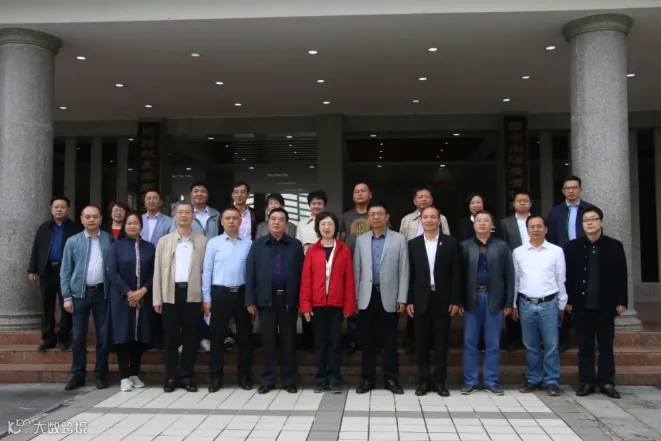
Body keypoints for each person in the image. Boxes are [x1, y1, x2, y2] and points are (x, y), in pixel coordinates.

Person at [565, 207, 627, 399]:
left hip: (606, 304)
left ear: (601, 222)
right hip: (581, 304)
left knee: (606, 345)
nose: (589, 223)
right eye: (586, 220)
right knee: (584, 345)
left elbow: (621, 275)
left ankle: (607, 382)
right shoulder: (572, 247)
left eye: (593, 219)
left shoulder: (614, 246)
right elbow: (567, 276)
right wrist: (569, 299)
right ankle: (587, 382)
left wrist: (622, 300)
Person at [245, 208, 304, 394]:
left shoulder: (295, 245)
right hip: (266, 299)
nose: (277, 222)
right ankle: (267, 380)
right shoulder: (258, 245)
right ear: (268, 222)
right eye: (273, 219)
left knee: (289, 341)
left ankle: (289, 380)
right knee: (268, 341)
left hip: (288, 300)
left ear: (286, 224)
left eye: (281, 219)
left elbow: (303, 275)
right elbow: (250, 273)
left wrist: (301, 300)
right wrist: (250, 300)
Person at [353, 201, 409, 395]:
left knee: (390, 341)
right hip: (366, 296)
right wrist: (356, 297)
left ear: (387, 217)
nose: (375, 217)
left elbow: (404, 271)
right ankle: (367, 379)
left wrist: (402, 297)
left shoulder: (399, 239)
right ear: (368, 218)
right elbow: (357, 270)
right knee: (367, 341)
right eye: (372, 214)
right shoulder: (361, 240)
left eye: (379, 214)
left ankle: (391, 379)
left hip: (390, 297)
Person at [153, 201, 208, 393]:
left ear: (193, 216)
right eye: (180, 212)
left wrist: (205, 298)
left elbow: (206, 272)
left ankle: (187, 376)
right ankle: (170, 377)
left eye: (187, 212)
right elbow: (157, 272)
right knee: (170, 338)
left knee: (191, 338)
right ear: (175, 216)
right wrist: (157, 298)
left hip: (193, 294)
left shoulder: (202, 241)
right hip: (170, 293)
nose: (184, 215)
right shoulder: (164, 241)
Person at [407, 206, 461, 397]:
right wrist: (409, 300)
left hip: (442, 299)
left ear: (439, 220)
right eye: (425, 217)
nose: (429, 220)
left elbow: (456, 273)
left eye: (433, 217)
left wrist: (455, 300)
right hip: (420, 298)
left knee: (440, 342)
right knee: (421, 342)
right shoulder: (413, 244)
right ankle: (423, 381)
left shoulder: (450, 242)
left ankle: (439, 381)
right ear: (421, 220)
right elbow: (409, 275)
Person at [299, 211, 356, 394]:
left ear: (335, 227)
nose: (326, 227)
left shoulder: (344, 250)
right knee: (320, 343)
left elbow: (349, 279)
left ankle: (334, 378)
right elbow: (306, 280)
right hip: (316, 305)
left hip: (336, 305)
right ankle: (321, 378)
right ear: (318, 227)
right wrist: (305, 305)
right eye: (323, 224)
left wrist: (349, 305)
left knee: (335, 343)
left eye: (330, 224)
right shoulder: (312, 251)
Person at [459, 210, 514, 396]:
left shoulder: (502, 246)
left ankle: (491, 380)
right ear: (474, 224)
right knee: (470, 342)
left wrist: (509, 302)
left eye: (486, 220)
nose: (482, 223)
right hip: (472, 298)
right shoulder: (465, 246)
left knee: (493, 342)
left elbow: (509, 276)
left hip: (493, 298)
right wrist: (459, 300)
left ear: (492, 225)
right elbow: (459, 277)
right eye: (478, 220)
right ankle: (470, 381)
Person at [512, 215, 567, 397]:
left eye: (539, 226)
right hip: (526, 303)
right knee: (530, 345)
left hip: (549, 303)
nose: (536, 230)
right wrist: (513, 304)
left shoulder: (556, 251)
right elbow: (516, 281)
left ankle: (551, 380)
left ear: (546, 229)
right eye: (532, 227)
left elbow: (561, 280)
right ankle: (533, 379)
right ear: (527, 230)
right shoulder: (518, 252)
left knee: (551, 345)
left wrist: (562, 305)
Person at [60, 205, 114, 391]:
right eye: (88, 217)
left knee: (103, 336)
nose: (92, 220)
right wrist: (66, 297)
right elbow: (65, 271)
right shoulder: (73, 241)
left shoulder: (108, 239)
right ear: (81, 219)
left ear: (101, 219)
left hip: (102, 293)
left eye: (95, 217)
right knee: (78, 336)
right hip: (79, 294)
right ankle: (78, 374)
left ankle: (101, 373)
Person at [203, 207, 253, 392]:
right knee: (217, 338)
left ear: (240, 221)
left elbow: (252, 273)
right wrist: (206, 298)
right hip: (220, 294)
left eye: (235, 218)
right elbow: (207, 271)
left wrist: (251, 298)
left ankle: (244, 377)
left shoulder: (248, 244)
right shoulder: (213, 243)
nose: (231, 221)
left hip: (242, 293)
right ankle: (216, 378)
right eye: (227, 218)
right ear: (222, 221)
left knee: (245, 337)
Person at [106, 211, 155, 392]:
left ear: (141, 225)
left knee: (139, 337)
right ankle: (124, 376)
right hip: (121, 299)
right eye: (129, 223)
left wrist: (142, 291)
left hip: (143, 298)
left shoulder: (149, 247)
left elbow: (154, 272)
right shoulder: (116, 246)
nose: (132, 226)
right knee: (123, 336)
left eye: (135, 223)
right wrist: (128, 293)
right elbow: (112, 272)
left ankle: (135, 373)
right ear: (124, 226)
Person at [399, 185, 451, 355]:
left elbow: (447, 241)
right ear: (414, 201)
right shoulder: (406, 220)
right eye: (420, 197)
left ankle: (433, 346)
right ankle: (412, 342)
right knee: (415, 312)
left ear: (432, 200)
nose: (423, 199)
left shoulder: (442, 219)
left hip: (436, 269)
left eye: (426, 197)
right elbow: (401, 242)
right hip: (415, 266)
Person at [546, 176, 594, 353]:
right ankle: (563, 338)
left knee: (585, 297)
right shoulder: (555, 213)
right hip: (561, 259)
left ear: (581, 189)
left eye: (574, 187)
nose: (571, 191)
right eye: (568, 188)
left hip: (585, 259)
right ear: (563, 191)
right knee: (563, 297)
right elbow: (550, 239)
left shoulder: (589, 210)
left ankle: (587, 338)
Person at [28, 196, 81, 351]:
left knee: (67, 304)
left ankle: (64, 337)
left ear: (68, 209)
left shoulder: (74, 228)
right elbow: (36, 248)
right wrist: (32, 269)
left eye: (62, 207)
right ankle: (48, 338)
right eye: (56, 207)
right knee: (47, 305)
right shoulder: (44, 227)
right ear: (51, 209)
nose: (59, 210)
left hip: (67, 271)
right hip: (47, 270)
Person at [340, 182, 373, 355]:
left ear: (370, 195)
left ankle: (369, 340)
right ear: (353, 196)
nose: (360, 194)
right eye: (356, 192)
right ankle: (353, 340)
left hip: (371, 265)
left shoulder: (375, 214)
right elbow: (342, 239)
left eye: (363, 191)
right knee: (352, 302)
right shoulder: (347, 216)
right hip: (351, 264)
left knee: (370, 303)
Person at [499, 190, 533, 352]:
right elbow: (503, 245)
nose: (522, 203)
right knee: (513, 299)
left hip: (534, 266)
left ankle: (532, 338)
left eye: (525, 200)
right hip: (513, 265)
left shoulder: (537, 221)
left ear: (530, 203)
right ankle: (514, 338)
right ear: (513, 204)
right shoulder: (505, 223)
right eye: (519, 201)